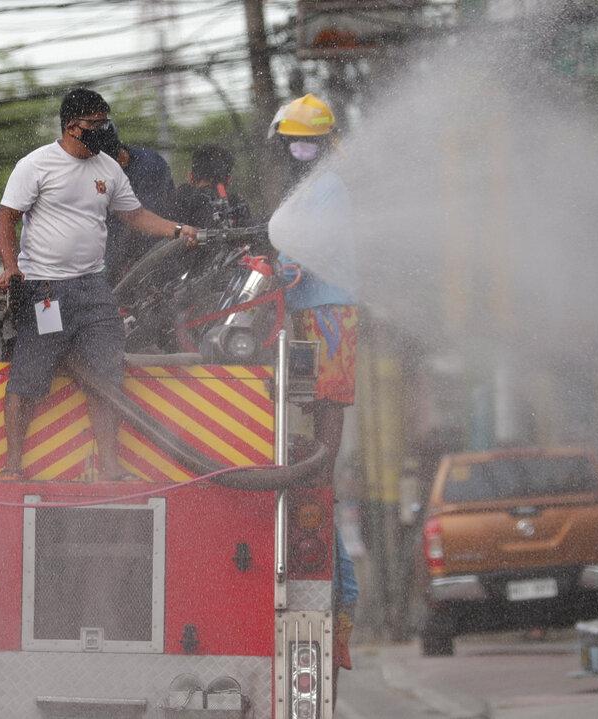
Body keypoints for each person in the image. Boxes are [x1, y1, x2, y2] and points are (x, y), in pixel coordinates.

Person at [0, 87, 199, 482]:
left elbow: (135, 215)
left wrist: (176, 229)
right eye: (96, 123)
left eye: (106, 122)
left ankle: (110, 468)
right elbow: (6, 218)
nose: (105, 130)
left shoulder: (108, 168)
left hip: (93, 290)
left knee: (107, 377)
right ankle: (13, 466)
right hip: (46, 292)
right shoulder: (35, 165)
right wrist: (11, 267)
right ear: (73, 126)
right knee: (30, 376)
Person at [269, 93, 359, 686]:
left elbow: (318, 244)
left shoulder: (329, 187)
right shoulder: (310, 186)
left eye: (303, 143)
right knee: (308, 395)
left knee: (328, 397)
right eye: (291, 143)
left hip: (329, 309)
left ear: (319, 145)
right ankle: (308, 460)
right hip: (308, 307)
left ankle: (320, 468)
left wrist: (288, 261)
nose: (296, 152)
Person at [96, 123, 176, 284]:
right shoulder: (93, 173)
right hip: (111, 244)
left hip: (154, 247)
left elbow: (141, 220)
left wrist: (113, 268)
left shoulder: (149, 165)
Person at [167, 144, 251, 229]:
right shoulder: (237, 205)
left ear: (191, 177)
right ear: (228, 180)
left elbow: (169, 229)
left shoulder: (181, 199)